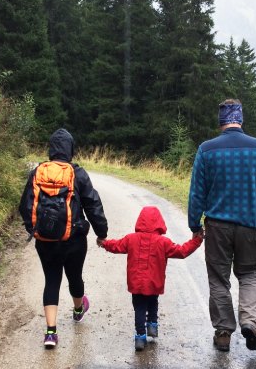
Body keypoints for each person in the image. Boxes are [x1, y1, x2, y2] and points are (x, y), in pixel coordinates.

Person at [187, 99, 256, 352]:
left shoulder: (206, 150)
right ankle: (250, 323)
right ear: (240, 119)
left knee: (219, 279)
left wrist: (194, 224)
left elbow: (197, 193)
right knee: (250, 274)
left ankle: (223, 332)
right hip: (250, 226)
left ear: (221, 121)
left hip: (218, 227)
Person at [19, 128, 109, 348]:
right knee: (74, 276)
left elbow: (25, 205)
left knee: (51, 280)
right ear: (70, 149)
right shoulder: (77, 174)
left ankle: (51, 332)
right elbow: (93, 204)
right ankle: (78, 309)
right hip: (74, 239)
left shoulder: (38, 172)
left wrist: (35, 229)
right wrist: (101, 233)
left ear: (51, 149)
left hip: (45, 241)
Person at [99, 206, 203, 351]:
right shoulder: (163, 242)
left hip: (136, 282)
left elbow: (116, 246)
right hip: (155, 282)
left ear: (140, 221)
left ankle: (140, 337)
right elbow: (181, 251)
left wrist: (104, 243)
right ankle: (152, 325)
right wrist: (196, 241)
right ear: (159, 222)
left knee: (139, 308)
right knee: (153, 301)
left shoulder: (131, 239)